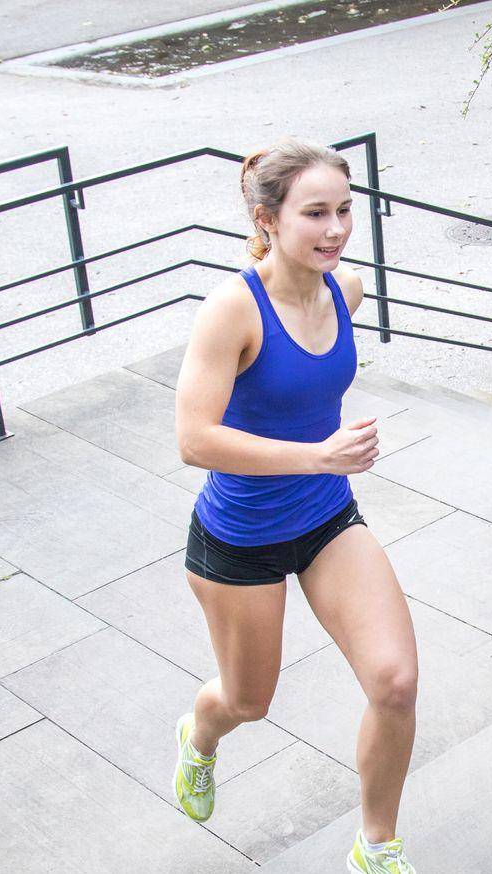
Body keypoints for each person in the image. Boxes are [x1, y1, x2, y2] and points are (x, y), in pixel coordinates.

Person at [171, 136, 420, 874]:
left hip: (328, 519)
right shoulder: (231, 311)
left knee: (395, 682)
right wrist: (318, 454)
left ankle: (376, 847)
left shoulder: (346, 291)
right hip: (240, 540)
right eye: (316, 213)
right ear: (267, 219)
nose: (337, 229)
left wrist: (324, 467)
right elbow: (193, 439)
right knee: (248, 702)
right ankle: (197, 736)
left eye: (346, 210)